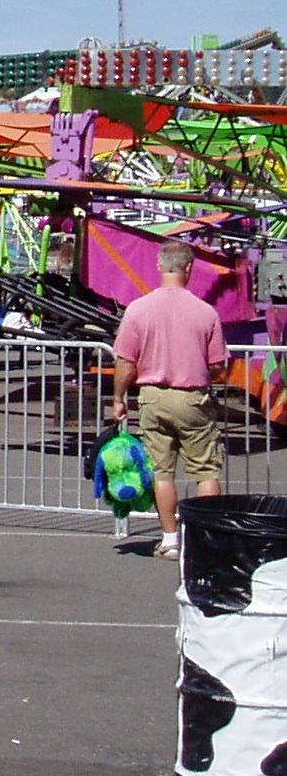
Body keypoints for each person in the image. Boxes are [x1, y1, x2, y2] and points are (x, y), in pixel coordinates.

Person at [111, 240, 229, 561]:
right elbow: (219, 365)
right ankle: (205, 539)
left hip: (152, 397)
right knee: (205, 471)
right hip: (192, 397)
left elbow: (125, 363)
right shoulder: (206, 312)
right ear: (189, 268)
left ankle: (170, 540)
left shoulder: (138, 309)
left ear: (159, 266)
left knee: (162, 472)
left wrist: (119, 398)